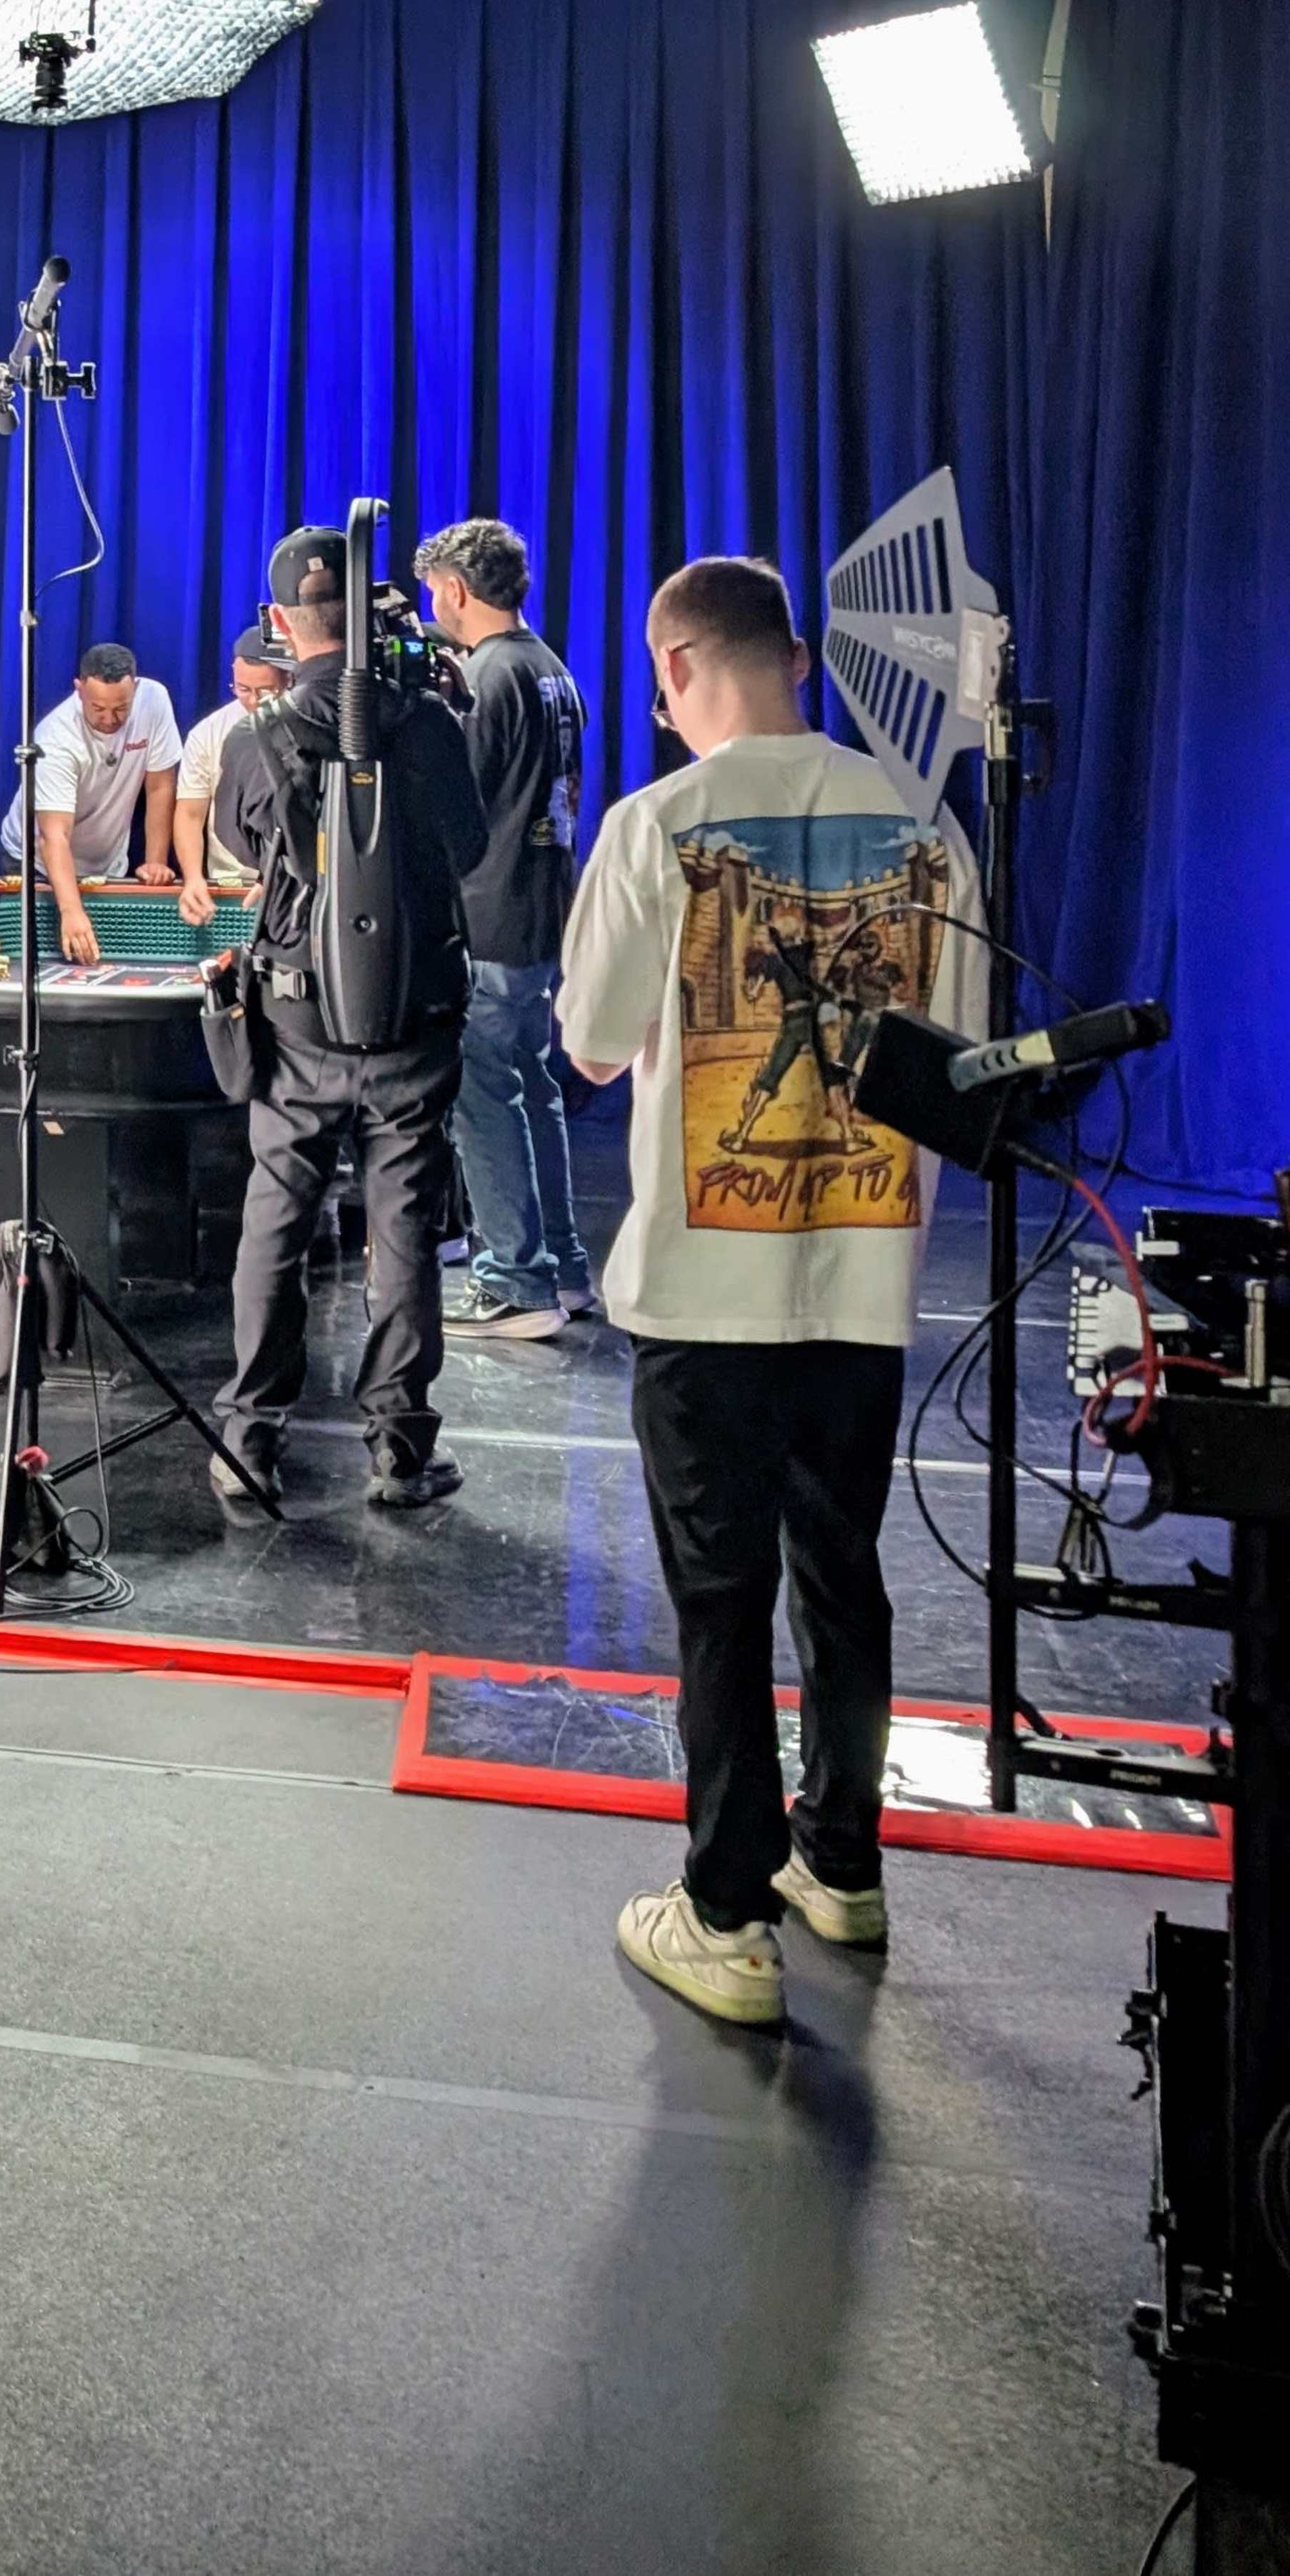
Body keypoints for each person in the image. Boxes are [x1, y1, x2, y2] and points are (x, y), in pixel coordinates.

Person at [558, 554, 983, 2029]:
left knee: (719, 1602)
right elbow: (957, 1072)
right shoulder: (928, 830)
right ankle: (843, 1863)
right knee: (843, 1577)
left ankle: (728, 1910)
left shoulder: (656, 824)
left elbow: (595, 1044)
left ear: (676, 670)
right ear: (791, 655)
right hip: (860, 1286)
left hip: (703, 1294)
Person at [209, 532, 488, 1509]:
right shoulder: (434, 725)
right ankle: (401, 1448)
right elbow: (470, 844)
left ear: (282, 624)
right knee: (404, 1222)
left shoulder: (258, 734)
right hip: (416, 1018)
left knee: (276, 1215)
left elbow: (237, 839)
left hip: (297, 1023)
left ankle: (251, 1439)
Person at [415, 516, 595, 1338]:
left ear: (454, 590)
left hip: (488, 921)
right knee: (535, 1091)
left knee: (485, 1100)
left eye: (433, 593)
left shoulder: (487, 678)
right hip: (540, 914)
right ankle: (562, 1268)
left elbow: (460, 805)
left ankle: (515, 1281)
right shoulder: (551, 668)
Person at [0, 642, 185, 965]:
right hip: (38, 864)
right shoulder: (56, 739)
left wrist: (155, 862)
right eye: (98, 708)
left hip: (108, 864)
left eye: (121, 708)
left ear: (135, 688)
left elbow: (160, 786)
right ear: (79, 689)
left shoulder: (154, 699)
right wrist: (71, 911)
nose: (110, 719)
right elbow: (53, 837)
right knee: (52, 962)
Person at [174, 623, 288, 920]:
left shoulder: (306, 725)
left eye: (265, 691)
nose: (253, 700)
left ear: (288, 678)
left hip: (291, 882)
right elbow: (190, 814)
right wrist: (193, 879)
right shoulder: (208, 733)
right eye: (243, 689)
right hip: (231, 884)